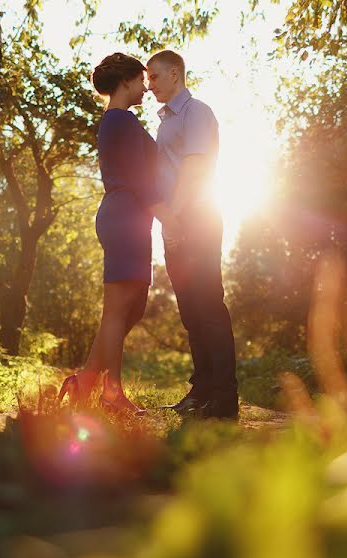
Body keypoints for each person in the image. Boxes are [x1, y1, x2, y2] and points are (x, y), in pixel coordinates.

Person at [58, 53, 176, 415]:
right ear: (125, 82)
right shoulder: (120, 121)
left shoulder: (120, 121)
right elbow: (137, 179)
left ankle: (86, 380)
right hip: (125, 216)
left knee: (133, 307)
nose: (146, 86)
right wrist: (168, 217)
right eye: (141, 80)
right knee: (117, 309)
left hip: (133, 218)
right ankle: (110, 393)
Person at [147, 50, 239, 420]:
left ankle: (223, 398)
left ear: (175, 74)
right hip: (176, 222)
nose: (149, 84)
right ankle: (201, 391)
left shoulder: (196, 111)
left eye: (154, 76)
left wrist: (176, 217)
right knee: (190, 310)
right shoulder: (165, 121)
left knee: (208, 305)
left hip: (196, 217)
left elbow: (196, 165)